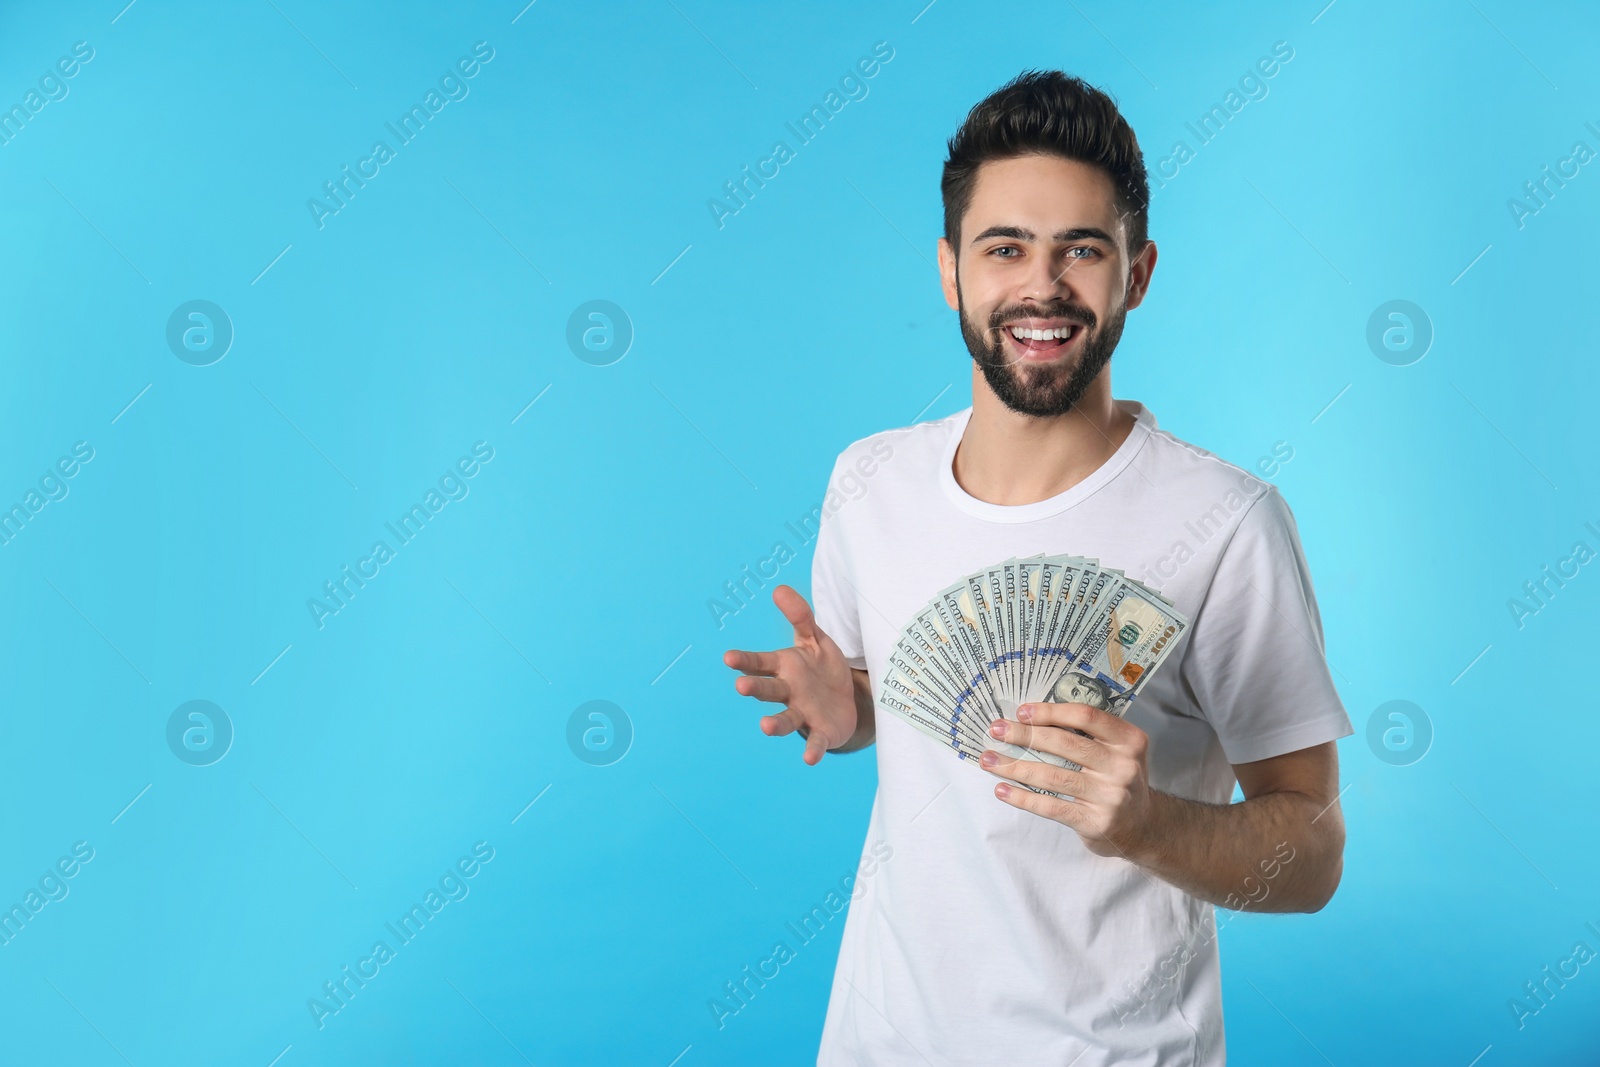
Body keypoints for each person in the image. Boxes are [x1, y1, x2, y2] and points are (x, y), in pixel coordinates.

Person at [723, 70, 1352, 1066]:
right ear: (949, 270)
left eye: (1081, 250)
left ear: (1137, 273)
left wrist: (1146, 823)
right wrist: (848, 710)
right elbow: (906, 709)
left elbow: (1311, 851)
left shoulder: (1227, 524)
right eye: (1005, 247)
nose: (1042, 286)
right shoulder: (868, 482)